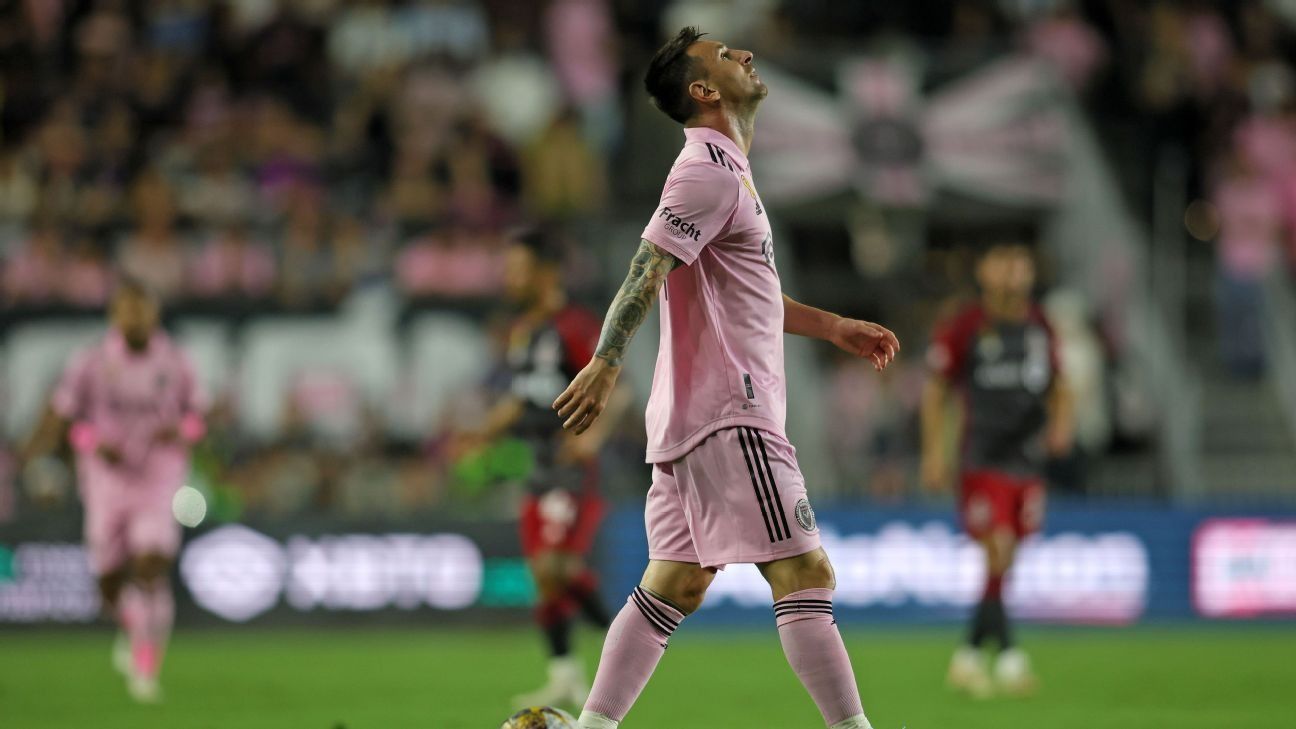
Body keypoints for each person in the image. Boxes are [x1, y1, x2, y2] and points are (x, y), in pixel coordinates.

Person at [552, 27, 899, 729]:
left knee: (675, 583)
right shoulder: (706, 171)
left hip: (691, 418)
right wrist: (606, 361)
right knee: (805, 573)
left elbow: (748, 291)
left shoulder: (726, 172)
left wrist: (832, 326)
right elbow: (646, 268)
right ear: (705, 89)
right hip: (729, 413)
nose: (745, 55)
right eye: (724, 55)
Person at [459, 230, 625, 708]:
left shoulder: (575, 325)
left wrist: (591, 436)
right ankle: (565, 675)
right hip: (536, 465)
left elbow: (620, 386)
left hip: (568, 467)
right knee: (545, 576)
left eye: (519, 269)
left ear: (547, 274)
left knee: (557, 567)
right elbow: (520, 398)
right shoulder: (525, 331)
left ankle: (627, 639)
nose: (510, 279)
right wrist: (480, 436)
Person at [21, 277, 206, 703]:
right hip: (106, 481)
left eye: (142, 310)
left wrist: (179, 432)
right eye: (128, 311)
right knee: (108, 582)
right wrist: (93, 443)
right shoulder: (90, 362)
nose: (135, 319)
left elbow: (200, 417)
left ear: (154, 314)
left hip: (159, 477)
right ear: (114, 316)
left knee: (151, 561)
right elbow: (68, 419)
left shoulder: (177, 361)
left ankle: (146, 665)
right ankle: (131, 623)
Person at [920, 243, 1073, 698]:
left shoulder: (1040, 325)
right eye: (1002, 265)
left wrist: (1061, 426)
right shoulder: (966, 324)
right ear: (984, 273)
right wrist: (935, 452)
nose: (1011, 274)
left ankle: (968, 657)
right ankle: (1008, 658)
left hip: (1027, 459)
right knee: (999, 550)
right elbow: (937, 389)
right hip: (983, 458)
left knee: (1004, 563)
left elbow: (1059, 384)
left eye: (1019, 266)